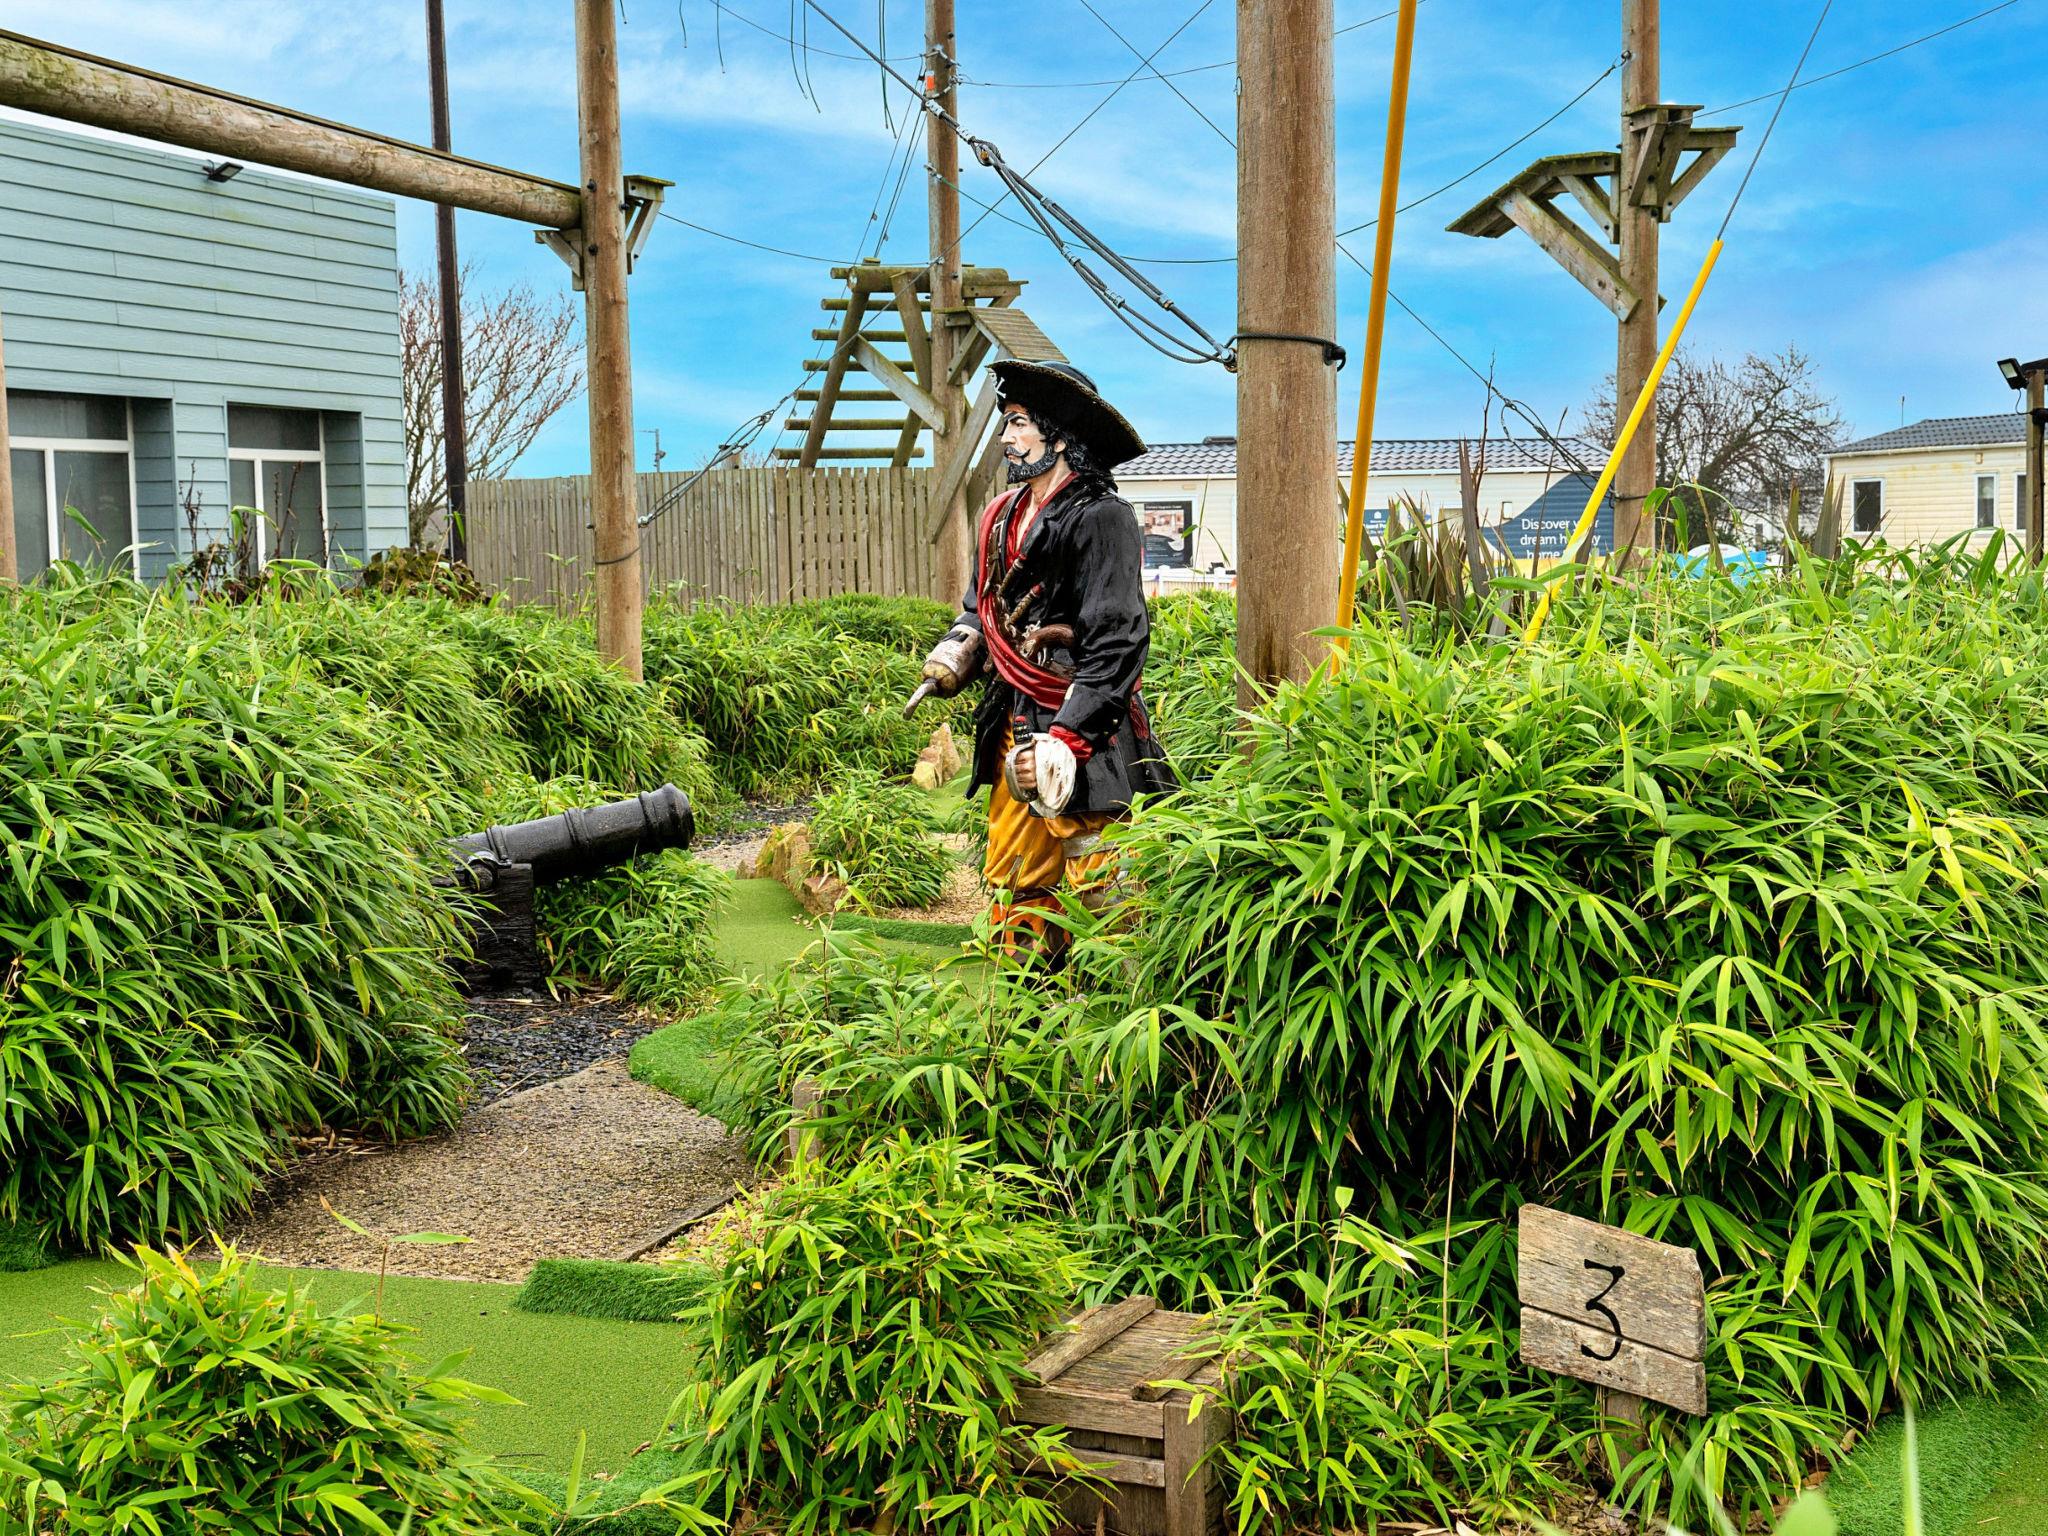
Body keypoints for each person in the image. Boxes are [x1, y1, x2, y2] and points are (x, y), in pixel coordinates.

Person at [913, 360, 1174, 955]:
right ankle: (1029, 993)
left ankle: (1109, 994)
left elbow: (1117, 642)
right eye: (1006, 423)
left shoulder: (1103, 517)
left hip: (1085, 719)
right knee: (1016, 867)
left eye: (1019, 423)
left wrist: (1068, 737)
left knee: (1099, 868)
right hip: (1014, 712)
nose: (1006, 438)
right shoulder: (1000, 515)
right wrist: (957, 651)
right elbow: (982, 607)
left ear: (1059, 436)